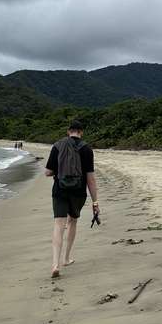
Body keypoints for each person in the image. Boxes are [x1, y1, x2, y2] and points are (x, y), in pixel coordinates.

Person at [45, 119, 99, 278]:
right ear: (81, 132)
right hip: (78, 192)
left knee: (58, 224)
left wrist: (59, 171)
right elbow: (90, 178)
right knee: (72, 221)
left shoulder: (57, 146)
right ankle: (66, 258)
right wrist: (95, 201)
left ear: (68, 131)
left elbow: (47, 172)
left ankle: (55, 264)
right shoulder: (87, 149)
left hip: (60, 190)